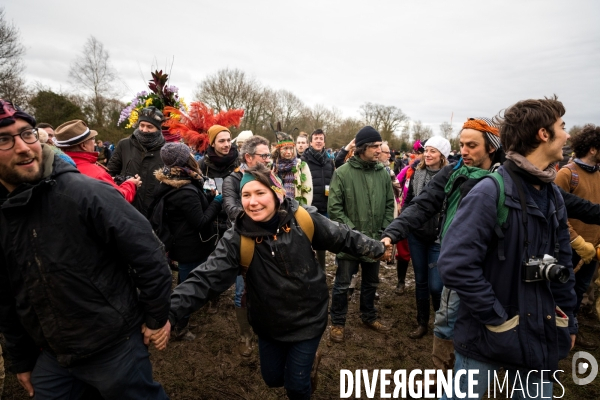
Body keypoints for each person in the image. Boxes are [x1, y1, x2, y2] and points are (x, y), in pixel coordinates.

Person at [167, 163, 391, 399]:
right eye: (246, 195)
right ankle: (301, 370)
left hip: (308, 319)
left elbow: (343, 236)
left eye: (260, 193)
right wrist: (168, 313)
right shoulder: (237, 238)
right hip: (268, 324)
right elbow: (205, 278)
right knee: (272, 379)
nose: (252, 202)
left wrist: (377, 248)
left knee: (296, 386)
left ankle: (304, 375)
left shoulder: (303, 219)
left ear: (277, 193)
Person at [0, 100, 172, 399]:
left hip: (114, 346)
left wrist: (156, 318)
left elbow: (149, 253)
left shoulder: (84, 193)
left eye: (27, 134)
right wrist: (21, 358)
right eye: (4, 140)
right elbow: (6, 295)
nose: (24, 147)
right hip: (54, 356)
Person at [438, 96, 576, 399]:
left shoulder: (552, 194)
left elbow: (563, 260)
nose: (567, 135)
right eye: (562, 127)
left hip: (540, 329)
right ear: (543, 134)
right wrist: (497, 317)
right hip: (488, 332)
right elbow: (454, 264)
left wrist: (569, 318)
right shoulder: (490, 191)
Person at [328, 126, 395, 342]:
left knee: (371, 282)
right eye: (375, 146)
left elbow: (388, 204)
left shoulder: (383, 173)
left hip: (375, 240)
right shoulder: (342, 173)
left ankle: (368, 315)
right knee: (342, 284)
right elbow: (335, 209)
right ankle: (338, 322)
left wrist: (383, 232)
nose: (379, 150)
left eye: (379, 146)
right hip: (349, 241)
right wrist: (355, 236)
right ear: (362, 148)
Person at [151, 142, 223, 341]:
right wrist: (217, 202)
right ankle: (179, 325)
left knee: (187, 281)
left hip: (182, 243)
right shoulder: (185, 191)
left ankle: (179, 318)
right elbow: (200, 221)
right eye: (189, 153)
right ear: (185, 160)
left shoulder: (174, 180)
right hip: (189, 246)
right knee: (187, 284)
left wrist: (207, 194)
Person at [222, 134, 271, 357]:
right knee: (242, 289)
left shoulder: (270, 177)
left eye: (270, 155)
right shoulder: (232, 180)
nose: (269, 159)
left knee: (267, 285)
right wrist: (257, 217)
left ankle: (265, 328)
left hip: (270, 240)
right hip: (245, 240)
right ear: (249, 157)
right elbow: (231, 208)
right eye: (264, 155)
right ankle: (245, 335)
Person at [554, 123, 600, 350]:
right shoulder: (567, 174)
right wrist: (576, 241)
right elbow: (557, 213)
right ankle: (558, 333)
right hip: (571, 248)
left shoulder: (599, 175)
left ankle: (573, 331)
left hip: (594, 250)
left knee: (579, 292)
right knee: (563, 293)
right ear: (593, 149)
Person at [404, 136, 451, 339]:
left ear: (443, 155)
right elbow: (408, 201)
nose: (428, 154)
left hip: (439, 238)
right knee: (421, 281)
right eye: (426, 150)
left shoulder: (451, 176)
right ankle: (422, 322)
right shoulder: (417, 173)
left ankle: (441, 323)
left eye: (433, 151)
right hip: (417, 235)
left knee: (436, 285)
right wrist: (405, 223)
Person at [54, 119, 140, 203]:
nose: (94, 142)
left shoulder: (53, 166)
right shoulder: (98, 174)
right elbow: (119, 200)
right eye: (92, 138)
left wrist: (110, 181)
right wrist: (131, 184)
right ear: (83, 145)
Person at [107, 106, 167, 217]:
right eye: (142, 125)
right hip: (126, 207)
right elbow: (109, 173)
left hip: (153, 211)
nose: (144, 130)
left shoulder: (166, 149)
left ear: (158, 129)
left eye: (150, 126)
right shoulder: (124, 144)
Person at [302, 128, 335, 268]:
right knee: (307, 238)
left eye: (321, 138)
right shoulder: (304, 160)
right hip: (309, 206)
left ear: (324, 142)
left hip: (325, 205)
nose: (319, 141)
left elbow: (333, 181)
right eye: (316, 138)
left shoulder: (329, 161)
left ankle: (321, 269)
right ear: (311, 142)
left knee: (322, 240)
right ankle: (308, 267)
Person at [272, 130, 313, 205]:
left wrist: (303, 210)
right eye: (285, 148)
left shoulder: (301, 166)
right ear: (278, 150)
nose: (289, 152)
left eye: (291, 148)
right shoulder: (273, 167)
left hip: (296, 209)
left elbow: (307, 193)